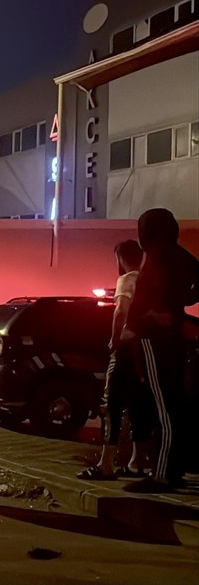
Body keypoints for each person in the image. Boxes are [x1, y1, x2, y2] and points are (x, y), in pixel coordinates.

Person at [123, 208, 199, 493]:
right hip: (172, 335)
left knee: (164, 405)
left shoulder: (156, 256)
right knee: (174, 402)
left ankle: (163, 473)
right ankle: (173, 468)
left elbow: (144, 298)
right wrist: (180, 305)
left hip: (154, 338)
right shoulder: (180, 254)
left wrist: (150, 316)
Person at [79, 240, 154, 480]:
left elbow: (120, 311)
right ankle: (138, 461)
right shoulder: (147, 281)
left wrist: (113, 341)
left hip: (124, 350)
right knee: (138, 405)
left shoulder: (126, 280)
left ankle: (106, 464)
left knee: (111, 406)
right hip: (143, 351)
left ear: (120, 259)